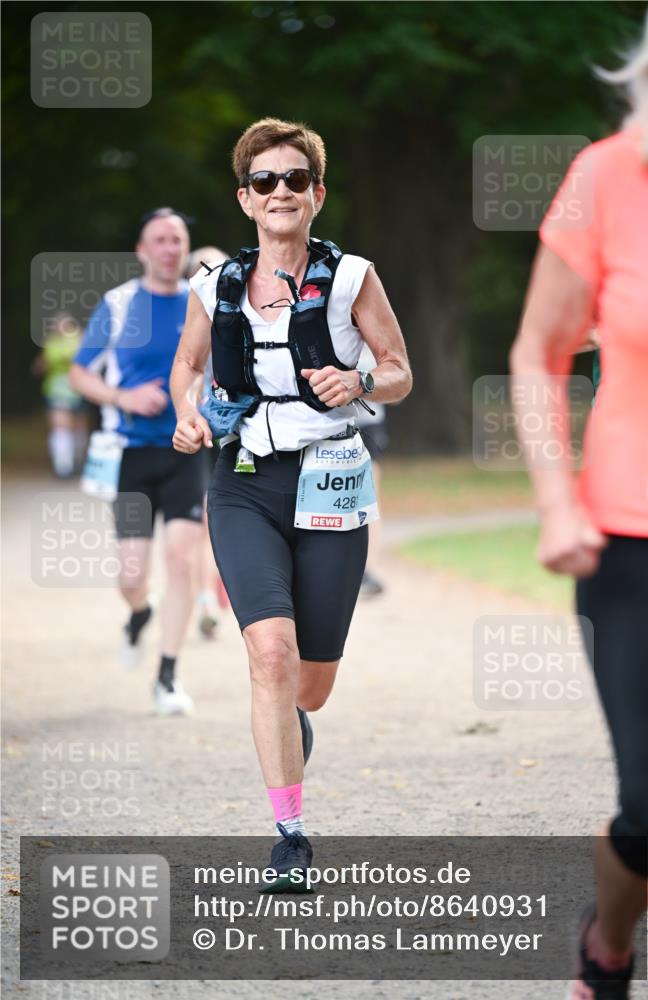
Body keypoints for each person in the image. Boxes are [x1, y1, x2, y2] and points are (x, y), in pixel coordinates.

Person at [171, 117, 412, 886]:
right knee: (267, 654)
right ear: (245, 199)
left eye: (296, 180)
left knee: (309, 681)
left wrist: (362, 382)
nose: (282, 192)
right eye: (265, 181)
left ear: (316, 194)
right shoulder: (214, 286)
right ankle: (289, 836)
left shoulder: (351, 278)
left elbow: (399, 369)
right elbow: (187, 368)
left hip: (331, 478)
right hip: (242, 483)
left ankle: (292, 718)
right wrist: (185, 411)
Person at [510, 4, 648, 996]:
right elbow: (537, 352)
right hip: (630, 537)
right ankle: (606, 943)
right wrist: (554, 503)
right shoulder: (604, 178)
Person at [69, 208, 205, 716]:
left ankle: (167, 676)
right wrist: (122, 398)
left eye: (178, 239)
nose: (171, 248)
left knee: (182, 560)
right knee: (131, 574)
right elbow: (81, 373)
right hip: (131, 456)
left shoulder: (202, 302)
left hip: (186, 451)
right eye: (160, 240)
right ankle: (138, 612)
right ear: (142, 251)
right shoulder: (120, 304)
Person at [185, 246, 230, 640]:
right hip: (202, 431)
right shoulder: (187, 325)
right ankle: (206, 599)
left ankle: (217, 591)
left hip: (241, 433)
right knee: (205, 519)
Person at [31, 312, 89, 478]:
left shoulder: (81, 340)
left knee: (78, 427)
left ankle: (77, 461)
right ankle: (63, 466)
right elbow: (39, 366)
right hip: (57, 391)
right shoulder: (52, 344)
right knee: (61, 426)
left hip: (79, 389)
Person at [356, 343, 390, 598]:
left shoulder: (372, 337)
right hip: (326, 427)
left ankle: (369, 568)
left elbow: (396, 385)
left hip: (368, 425)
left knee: (370, 498)